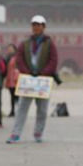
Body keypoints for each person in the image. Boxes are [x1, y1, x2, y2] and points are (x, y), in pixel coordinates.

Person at [6, 15, 58, 143]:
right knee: (22, 108)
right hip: (28, 80)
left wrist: (43, 72)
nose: (36, 27)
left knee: (42, 109)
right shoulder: (25, 43)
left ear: (43, 27)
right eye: (34, 25)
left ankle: (38, 133)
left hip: (43, 81)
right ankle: (15, 133)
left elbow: (53, 61)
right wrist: (27, 71)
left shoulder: (50, 43)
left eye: (39, 25)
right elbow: (19, 59)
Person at [5, 44, 20, 117]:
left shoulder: (18, 57)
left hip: (17, 79)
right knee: (12, 96)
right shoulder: (7, 58)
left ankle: (19, 110)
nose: (9, 50)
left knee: (18, 96)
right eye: (9, 49)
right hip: (10, 79)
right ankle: (12, 110)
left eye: (11, 49)